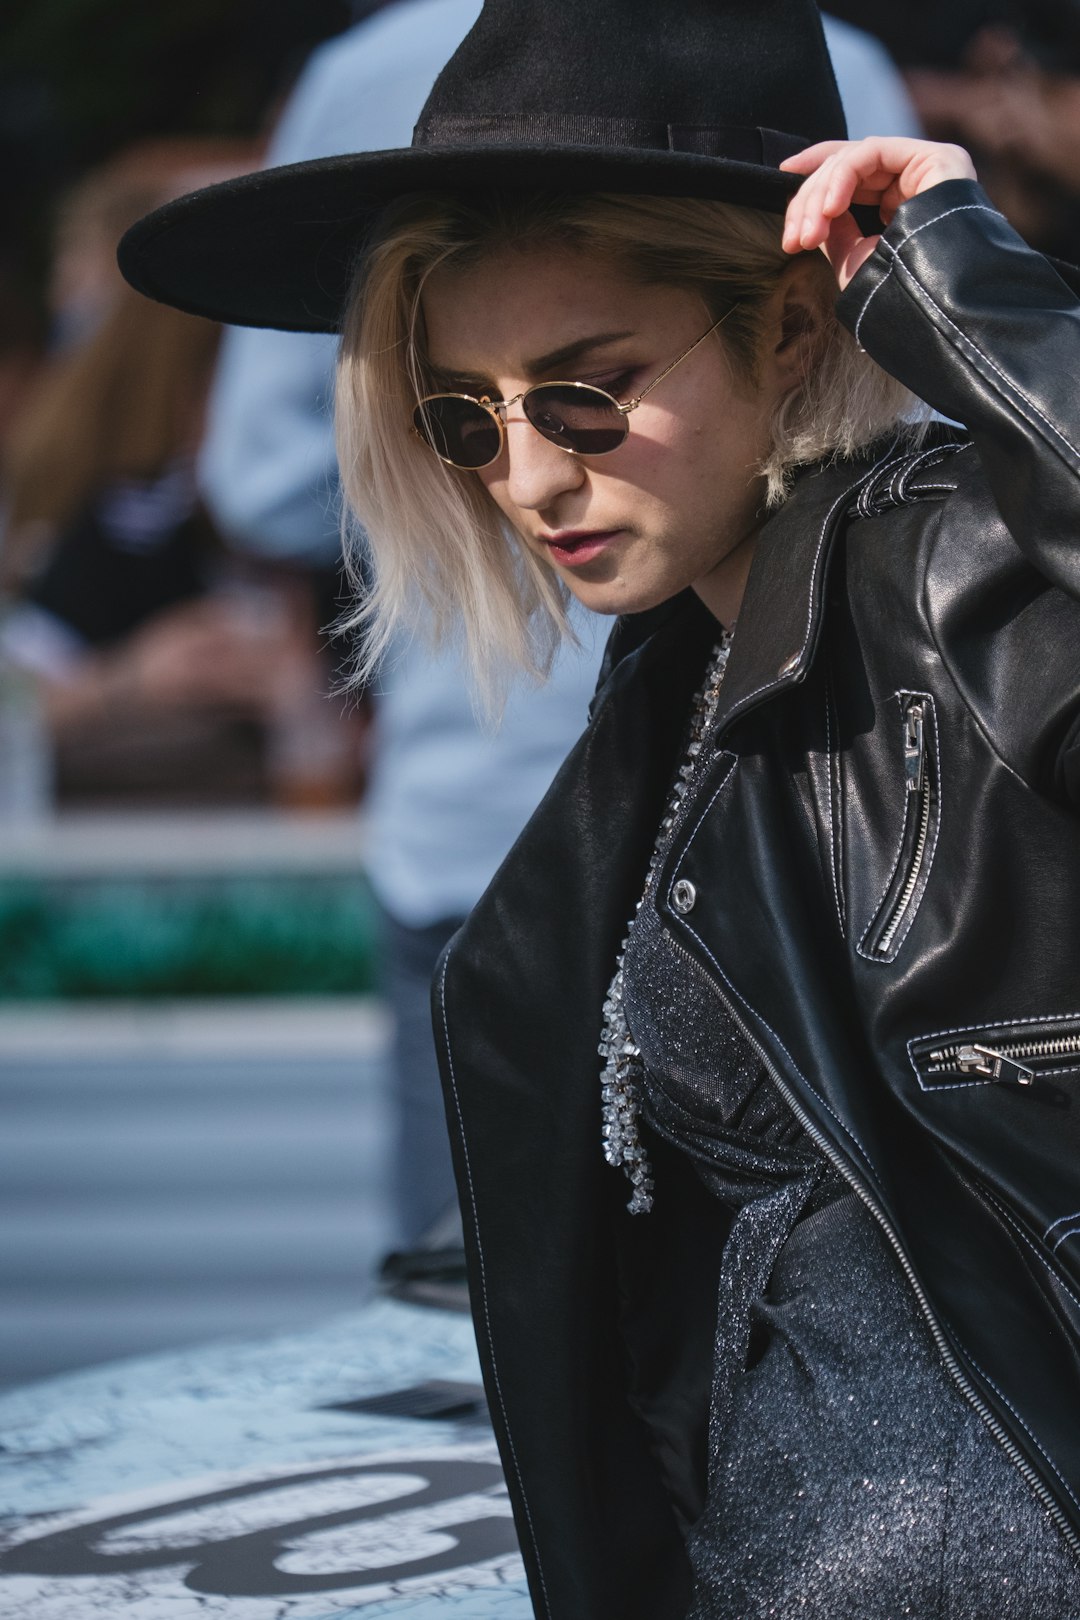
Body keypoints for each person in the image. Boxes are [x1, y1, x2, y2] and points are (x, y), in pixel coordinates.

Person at [118, 0, 1080, 1615]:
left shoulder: (947, 575)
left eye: (588, 393)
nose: (530, 479)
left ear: (788, 333)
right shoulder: (678, 680)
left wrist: (967, 288)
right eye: (464, 417)